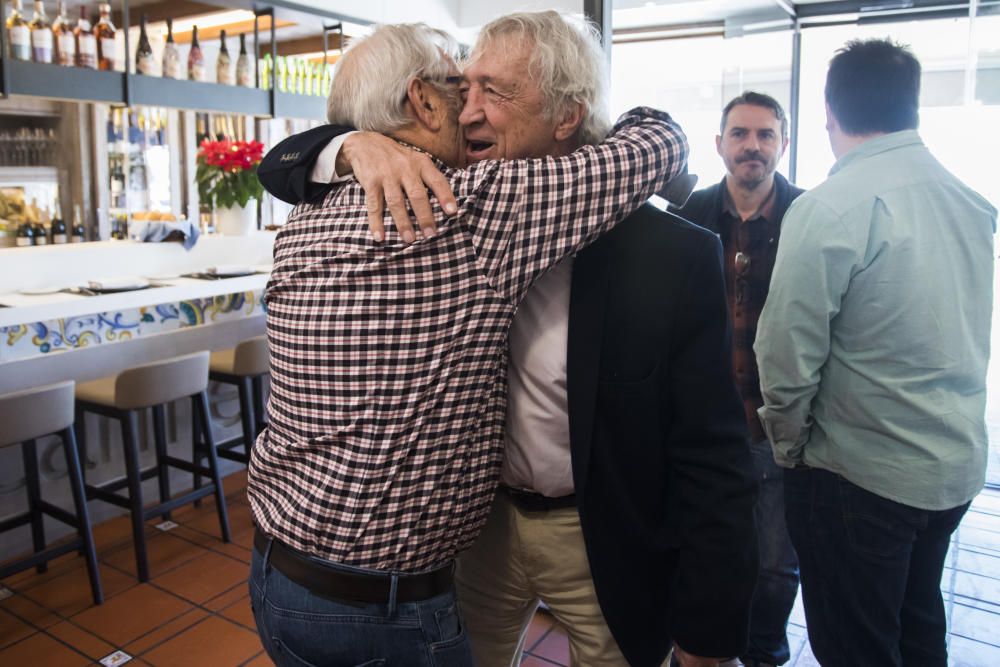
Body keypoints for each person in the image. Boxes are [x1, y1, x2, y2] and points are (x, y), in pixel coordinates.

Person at [257, 11, 758, 667]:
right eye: (460, 88)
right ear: (421, 100)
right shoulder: (465, 208)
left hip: (591, 537)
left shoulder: (304, 216)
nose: (469, 112)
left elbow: (710, 451)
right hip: (448, 560)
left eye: (491, 91)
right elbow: (658, 140)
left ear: (566, 115)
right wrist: (351, 143)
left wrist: (708, 624)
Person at [755, 38, 997, 667]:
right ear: (912, 106)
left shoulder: (830, 206)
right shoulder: (971, 204)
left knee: (857, 645)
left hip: (859, 477)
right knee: (918, 625)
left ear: (829, 115)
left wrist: (788, 447)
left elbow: (783, 353)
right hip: (951, 469)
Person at [676, 91, 802, 667]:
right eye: (741, 134)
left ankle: (764, 652)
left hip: (779, 429)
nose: (753, 145)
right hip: (703, 429)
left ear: (783, 143)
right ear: (720, 143)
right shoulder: (687, 219)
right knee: (702, 554)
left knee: (776, 567)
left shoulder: (809, 218)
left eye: (766, 134)